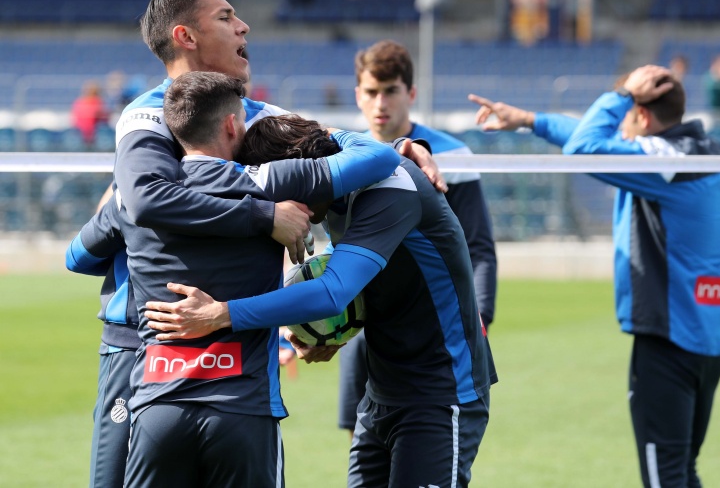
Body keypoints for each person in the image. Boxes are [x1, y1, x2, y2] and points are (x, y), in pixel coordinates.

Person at [79, 0, 442, 488]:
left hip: (238, 349)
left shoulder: (260, 116)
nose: (244, 26)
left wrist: (399, 149)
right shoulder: (146, 116)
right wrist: (265, 217)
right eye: (226, 17)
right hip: (144, 339)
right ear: (185, 37)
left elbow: (340, 150)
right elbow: (144, 199)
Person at [143, 113, 498, 488]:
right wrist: (325, 332)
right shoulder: (338, 193)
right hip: (383, 388)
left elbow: (332, 291)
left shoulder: (393, 189)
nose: (276, 206)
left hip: (442, 391)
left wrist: (221, 314)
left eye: (278, 193)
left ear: (306, 175)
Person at [469, 64, 720, 488]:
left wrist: (622, 93)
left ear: (641, 115)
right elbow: (594, 140)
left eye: (626, 117)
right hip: (707, 335)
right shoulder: (702, 151)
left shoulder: (663, 163)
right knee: (684, 470)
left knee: (666, 477)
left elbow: (586, 148)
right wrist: (531, 121)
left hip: (670, 339)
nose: (620, 129)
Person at [336, 39, 498, 438]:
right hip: (363, 316)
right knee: (363, 436)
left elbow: (478, 245)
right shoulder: (344, 158)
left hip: (430, 323)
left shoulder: (451, 155)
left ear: (410, 93)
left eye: (390, 91)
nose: (380, 103)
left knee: (430, 434)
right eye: (371, 91)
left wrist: (481, 313)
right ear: (357, 95)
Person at [71, 80, 109, 144]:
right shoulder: (96, 102)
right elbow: (104, 118)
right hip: (92, 133)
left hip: (79, 132)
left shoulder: (78, 102)